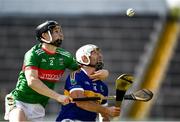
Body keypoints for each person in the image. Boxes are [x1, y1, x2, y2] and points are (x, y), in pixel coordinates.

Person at [4, 20, 109, 122]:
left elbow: (85, 70)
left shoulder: (64, 56)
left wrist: (104, 73)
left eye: (61, 31)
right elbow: (32, 81)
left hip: (39, 105)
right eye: (56, 31)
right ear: (45, 35)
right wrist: (58, 97)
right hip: (18, 100)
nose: (61, 35)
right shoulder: (33, 54)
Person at [56, 44, 121, 122]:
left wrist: (107, 114)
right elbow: (80, 102)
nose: (100, 55)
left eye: (99, 53)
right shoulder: (76, 76)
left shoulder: (103, 87)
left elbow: (103, 115)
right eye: (95, 53)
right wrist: (107, 110)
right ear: (84, 58)